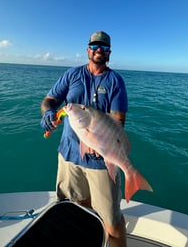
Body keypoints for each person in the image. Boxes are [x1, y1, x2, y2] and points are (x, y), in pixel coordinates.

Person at [40, 31, 128, 247]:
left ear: (109, 54)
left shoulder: (115, 81)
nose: (99, 50)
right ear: (88, 50)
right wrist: (48, 113)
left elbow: (118, 122)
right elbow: (49, 100)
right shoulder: (72, 75)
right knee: (74, 210)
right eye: (95, 46)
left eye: (104, 48)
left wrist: (99, 143)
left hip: (101, 162)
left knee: (111, 220)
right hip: (69, 157)